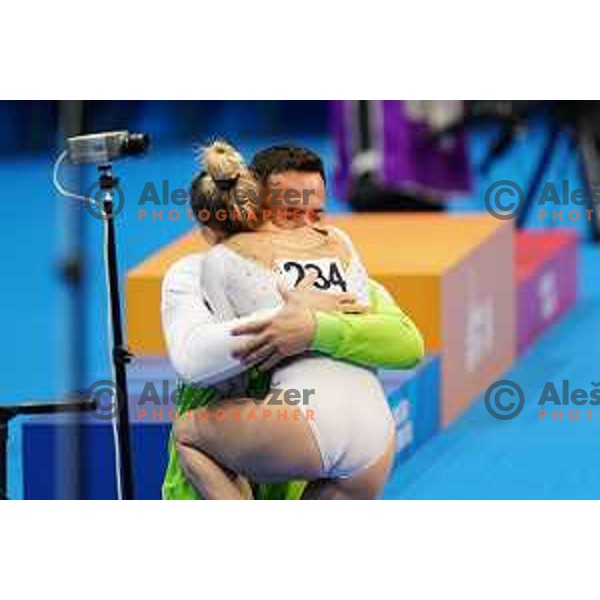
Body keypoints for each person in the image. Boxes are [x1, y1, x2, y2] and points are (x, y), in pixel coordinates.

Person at [167, 141, 423, 499]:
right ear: (255, 208)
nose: (306, 226)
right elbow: (192, 358)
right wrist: (291, 318)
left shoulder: (228, 259)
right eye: (290, 213)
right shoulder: (340, 248)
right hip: (376, 438)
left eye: (316, 213)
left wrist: (313, 329)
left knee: (187, 433)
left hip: (298, 428)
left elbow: (409, 344)